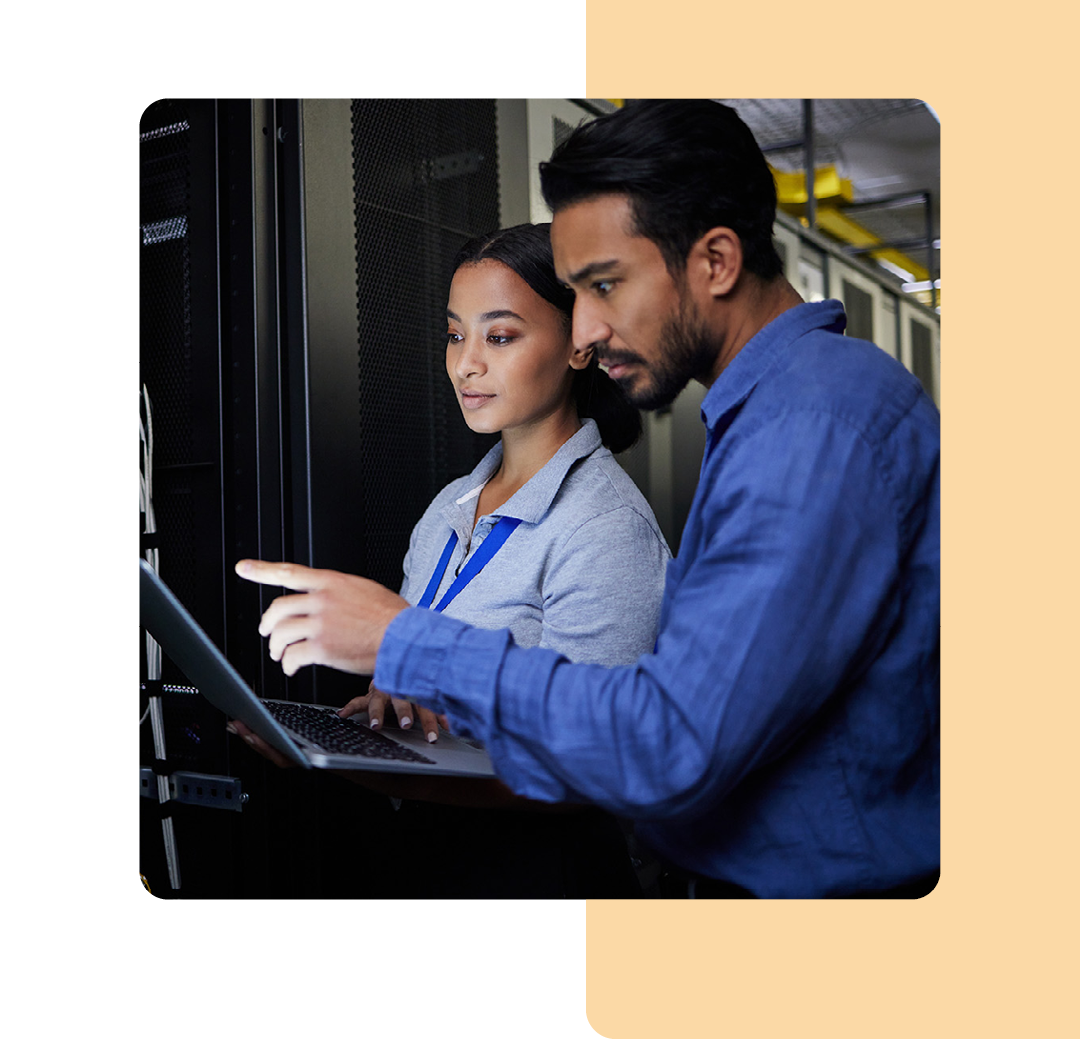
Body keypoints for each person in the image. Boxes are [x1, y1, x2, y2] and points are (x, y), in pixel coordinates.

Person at [237, 100, 940, 899]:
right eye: (577, 293)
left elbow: (667, 744)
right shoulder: (775, 417)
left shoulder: (812, 424)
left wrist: (409, 642)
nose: (589, 329)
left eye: (605, 286)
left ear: (714, 261)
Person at [234, 221, 671, 898]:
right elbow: (430, 701)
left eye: (499, 337)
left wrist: (344, 763)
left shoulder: (607, 528)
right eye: (454, 334)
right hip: (423, 857)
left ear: (578, 346)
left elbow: (585, 771)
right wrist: (381, 715)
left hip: (540, 878)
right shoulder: (448, 509)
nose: (467, 363)